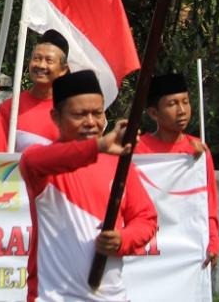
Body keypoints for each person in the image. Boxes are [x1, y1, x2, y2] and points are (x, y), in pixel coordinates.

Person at [20, 69, 157, 301]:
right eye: (80, 115)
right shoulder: (42, 163)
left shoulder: (119, 163)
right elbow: (33, 161)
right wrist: (98, 147)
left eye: (97, 113)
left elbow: (146, 218)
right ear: (56, 117)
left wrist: (122, 239)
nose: (91, 122)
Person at [136, 72, 219, 268]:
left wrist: (213, 241)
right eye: (172, 104)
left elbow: (209, 202)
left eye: (186, 102)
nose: (182, 110)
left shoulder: (198, 150)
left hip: (186, 251)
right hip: (147, 249)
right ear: (153, 113)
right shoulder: (137, 150)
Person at [0, 29, 68, 151]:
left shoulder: (72, 111)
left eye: (49, 60)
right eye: (36, 58)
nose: (41, 65)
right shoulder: (11, 108)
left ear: (63, 70)